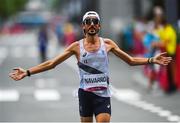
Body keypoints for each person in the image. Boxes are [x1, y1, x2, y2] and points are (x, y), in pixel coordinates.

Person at [9, 11, 172, 123]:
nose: (92, 24)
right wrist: (27, 72)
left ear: (99, 26)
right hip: (85, 95)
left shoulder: (107, 44)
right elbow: (52, 63)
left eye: (95, 21)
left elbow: (129, 60)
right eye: (88, 22)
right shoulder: (76, 47)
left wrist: (151, 60)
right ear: (84, 27)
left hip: (102, 95)